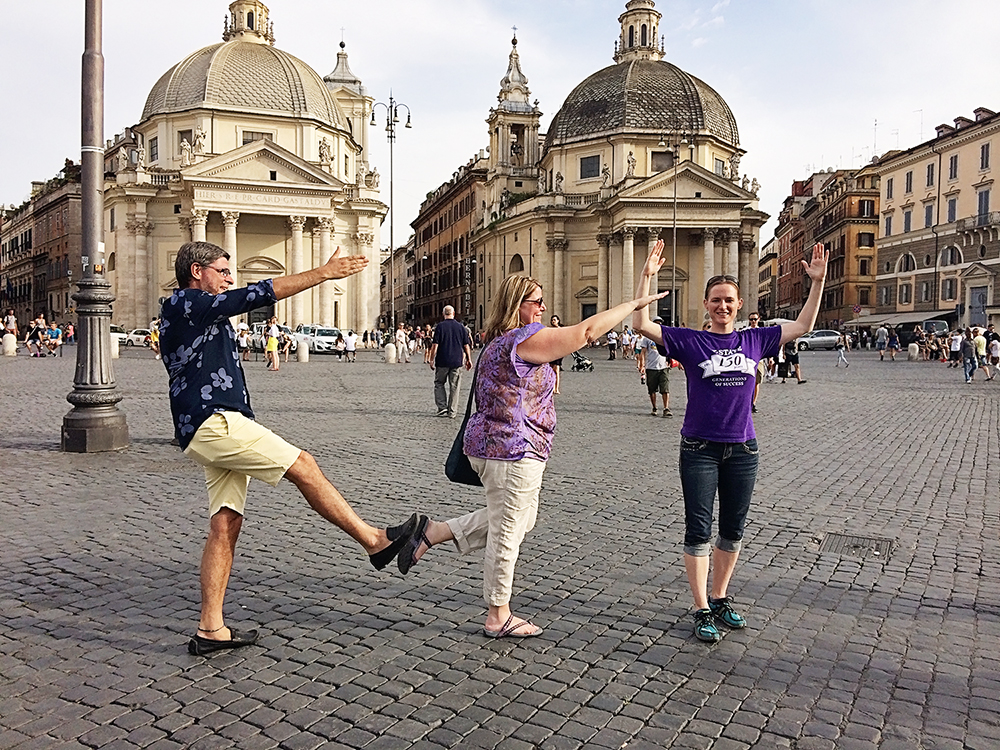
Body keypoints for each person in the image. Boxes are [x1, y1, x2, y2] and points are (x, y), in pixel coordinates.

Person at [158, 241, 418, 656]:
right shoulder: (186, 302)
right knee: (303, 464)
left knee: (225, 523)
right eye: (223, 271)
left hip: (218, 423)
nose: (229, 278)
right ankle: (373, 540)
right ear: (196, 271)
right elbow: (257, 294)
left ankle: (210, 629)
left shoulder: (201, 308)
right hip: (214, 421)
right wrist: (323, 274)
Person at [395, 273, 665, 638]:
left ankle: (434, 532)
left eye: (541, 300)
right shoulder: (524, 340)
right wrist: (633, 304)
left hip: (503, 446)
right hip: (512, 449)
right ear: (515, 305)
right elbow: (585, 333)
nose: (542, 306)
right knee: (508, 530)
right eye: (535, 300)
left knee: (521, 519)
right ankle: (498, 614)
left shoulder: (498, 341)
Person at [632, 239, 828, 643]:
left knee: (733, 530)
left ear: (739, 306)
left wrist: (818, 283)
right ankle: (701, 606)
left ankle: (720, 597)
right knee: (698, 529)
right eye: (716, 300)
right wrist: (646, 278)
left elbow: (805, 325)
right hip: (699, 449)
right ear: (706, 304)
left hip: (743, 449)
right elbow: (641, 326)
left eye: (729, 300)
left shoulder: (756, 339)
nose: (722, 306)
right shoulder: (690, 341)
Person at [428, 305, 473, 418]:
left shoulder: (440, 327)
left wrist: (431, 359)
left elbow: (435, 345)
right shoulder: (461, 327)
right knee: (455, 386)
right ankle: (452, 411)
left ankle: (442, 407)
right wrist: (469, 359)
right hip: (457, 361)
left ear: (444, 314)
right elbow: (466, 345)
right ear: (454, 314)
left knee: (439, 383)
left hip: (442, 360)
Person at [638, 317, 672, 417]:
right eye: (656, 324)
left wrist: (675, 361)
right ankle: (654, 407)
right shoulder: (647, 339)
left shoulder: (665, 337)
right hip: (651, 367)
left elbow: (671, 350)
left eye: (660, 324)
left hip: (663, 367)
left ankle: (666, 408)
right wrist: (642, 365)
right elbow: (643, 352)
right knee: (652, 390)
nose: (658, 325)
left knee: (665, 389)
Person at [548, 314, 563, 395]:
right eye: (552, 320)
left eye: (554, 320)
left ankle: (556, 388)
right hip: (551, 351)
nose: (553, 321)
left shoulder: (561, 330)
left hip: (558, 352)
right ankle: (551, 387)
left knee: (556, 370)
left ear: (558, 321)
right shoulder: (550, 330)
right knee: (550, 370)